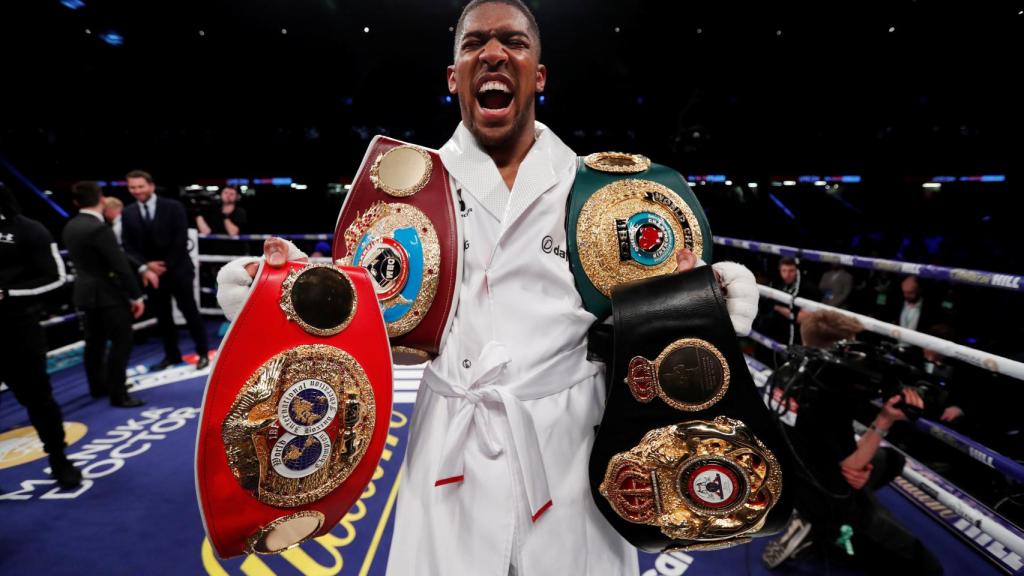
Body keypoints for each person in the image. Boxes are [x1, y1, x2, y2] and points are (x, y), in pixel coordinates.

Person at [215, 2, 759, 573]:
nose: (494, 53)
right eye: (475, 43)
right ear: (454, 77)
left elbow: (646, 323)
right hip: (453, 437)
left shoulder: (603, 192)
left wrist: (709, 296)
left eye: (514, 42)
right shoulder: (403, 194)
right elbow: (374, 323)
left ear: (539, 75)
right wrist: (280, 291)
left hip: (570, 441)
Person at [761, 309, 942, 575]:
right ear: (840, 349)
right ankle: (824, 527)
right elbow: (853, 466)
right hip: (830, 496)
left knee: (893, 460)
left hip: (790, 481)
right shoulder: (826, 398)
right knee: (927, 566)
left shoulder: (785, 371)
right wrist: (885, 420)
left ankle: (808, 518)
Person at [0, 182, 82, 487]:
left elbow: (56, 277)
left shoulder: (28, 229)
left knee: (38, 398)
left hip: (18, 329)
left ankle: (59, 458)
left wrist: (8, 293)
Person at [63, 181, 149, 407]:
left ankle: (98, 386)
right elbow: (120, 265)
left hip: (84, 294)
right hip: (107, 295)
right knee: (122, 342)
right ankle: (118, 393)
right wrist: (136, 296)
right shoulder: (99, 228)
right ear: (101, 199)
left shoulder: (71, 225)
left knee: (94, 343)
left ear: (76, 203)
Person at [121, 170, 210, 371]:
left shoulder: (173, 206)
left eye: (140, 186)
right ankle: (171, 355)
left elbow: (181, 239)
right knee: (163, 317)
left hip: (178, 269)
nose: (137, 191)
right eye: (132, 187)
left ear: (151, 186)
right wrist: (146, 266)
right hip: (151, 275)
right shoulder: (128, 212)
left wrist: (164, 265)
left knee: (190, 312)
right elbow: (128, 245)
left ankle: (203, 352)